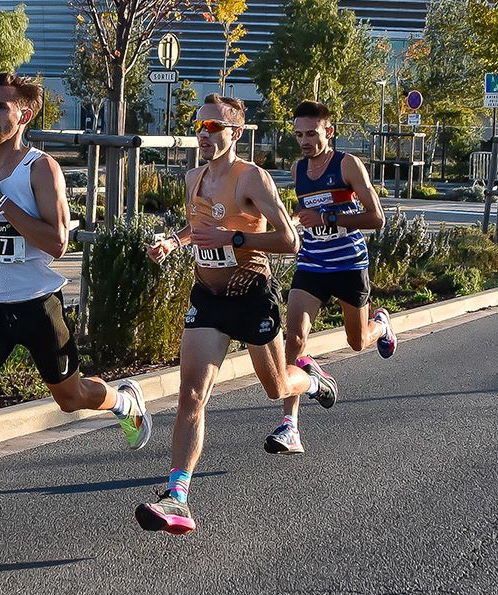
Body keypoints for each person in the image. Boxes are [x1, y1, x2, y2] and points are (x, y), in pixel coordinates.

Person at [0, 73, 152, 557]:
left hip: (38, 305)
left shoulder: (42, 169)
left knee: (71, 398)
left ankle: (123, 403)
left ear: (24, 115)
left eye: (1, 107)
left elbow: (57, 242)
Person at [137, 94, 338, 535]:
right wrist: (176, 241)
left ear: (236, 133)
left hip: (251, 295)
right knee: (191, 393)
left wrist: (235, 238)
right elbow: (198, 225)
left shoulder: (253, 179)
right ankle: (178, 497)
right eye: (199, 126)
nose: (203, 135)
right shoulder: (193, 177)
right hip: (208, 299)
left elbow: (290, 241)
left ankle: (315, 379)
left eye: (213, 128)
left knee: (277, 387)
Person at [265, 101, 395, 456]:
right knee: (294, 339)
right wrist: (295, 220)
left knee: (357, 341)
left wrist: (329, 218)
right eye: (299, 135)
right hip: (312, 264)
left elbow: (377, 218)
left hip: (350, 264)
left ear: (329, 131)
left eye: (311, 133)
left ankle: (381, 325)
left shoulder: (347, 164)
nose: (305, 141)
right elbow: (307, 210)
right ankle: (291, 428)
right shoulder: (299, 169)